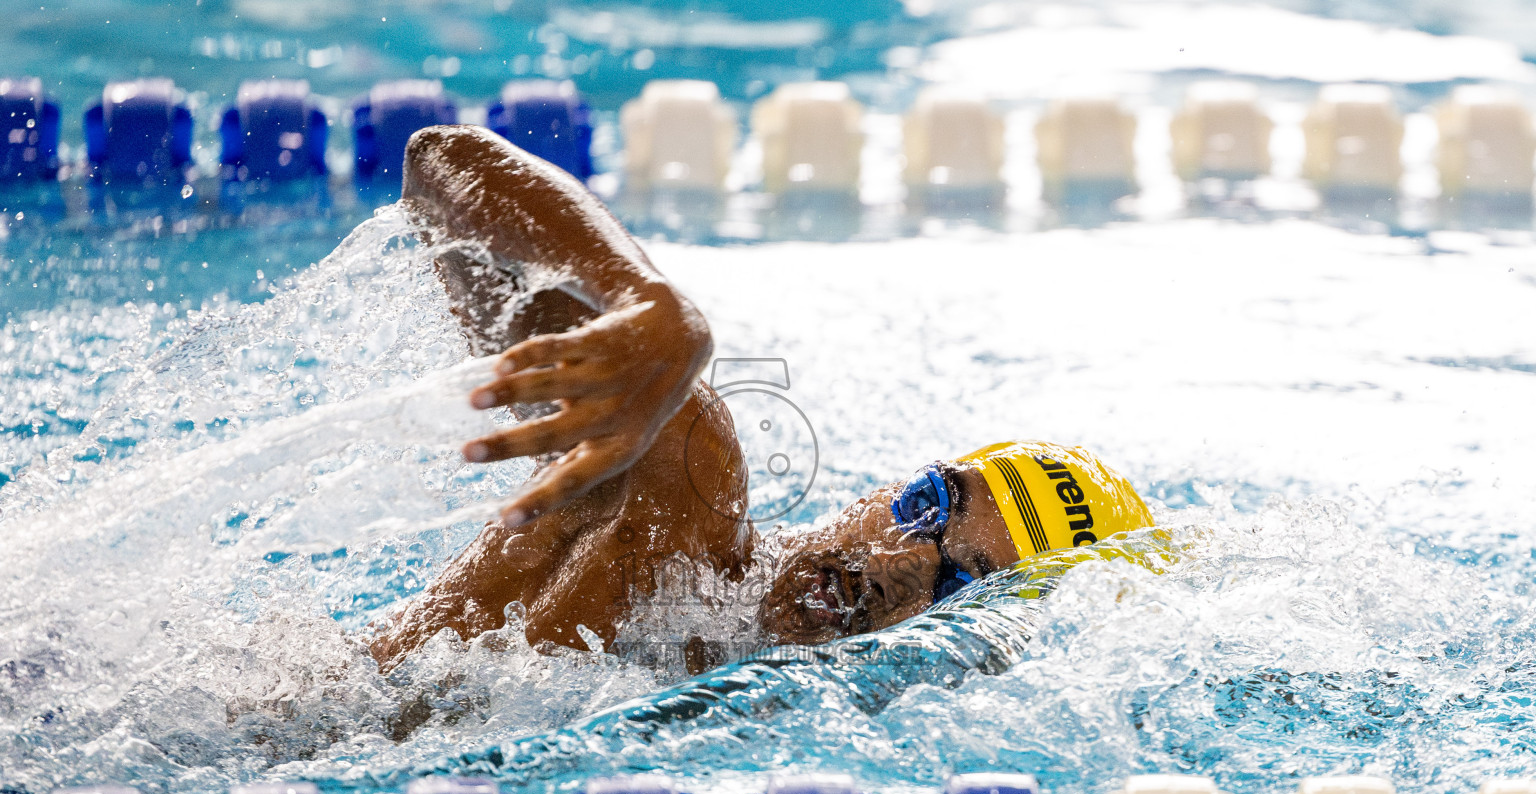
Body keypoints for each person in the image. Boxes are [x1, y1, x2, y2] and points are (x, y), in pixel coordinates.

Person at [369, 125, 1155, 674]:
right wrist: (644, 300)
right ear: (891, 484)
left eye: (959, 584)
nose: (890, 559)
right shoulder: (684, 484)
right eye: (925, 504)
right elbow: (443, 161)